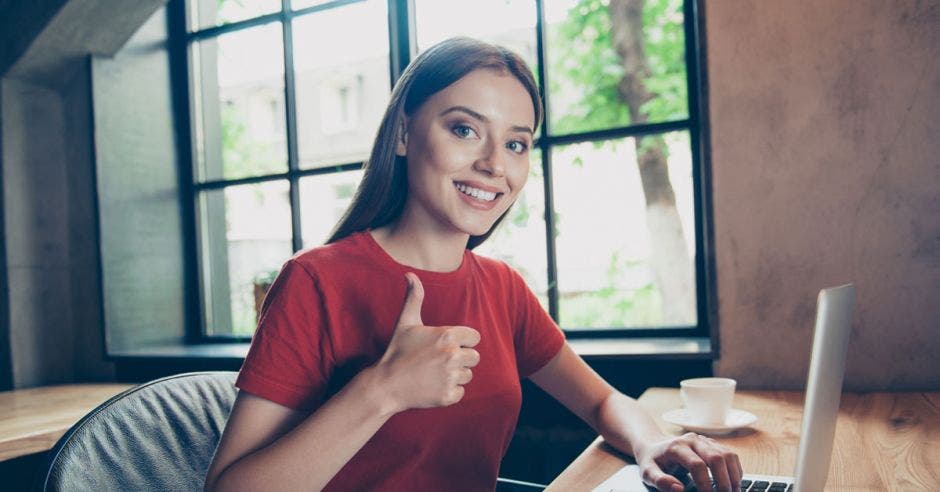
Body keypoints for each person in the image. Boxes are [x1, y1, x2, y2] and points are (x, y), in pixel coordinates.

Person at [204, 37, 741, 492]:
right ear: (403, 133)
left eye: (516, 143)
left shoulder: (501, 287)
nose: (493, 164)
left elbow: (602, 401)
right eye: (464, 129)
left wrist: (653, 442)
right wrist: (382, 390)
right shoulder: (316, 280)